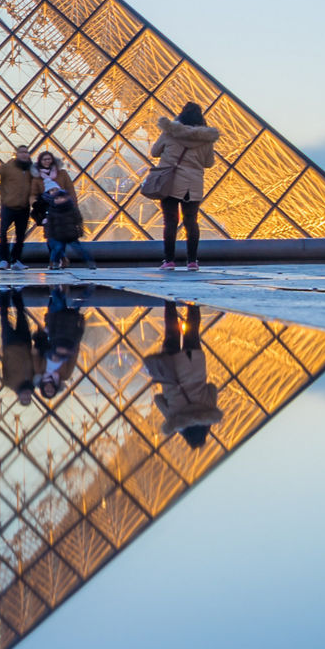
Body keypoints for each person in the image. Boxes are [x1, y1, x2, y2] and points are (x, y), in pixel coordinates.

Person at [150, 102, 221, 272]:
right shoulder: (206, 139)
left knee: (170, 222)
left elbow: (154, 152)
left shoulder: (169, 133)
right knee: (191, 222)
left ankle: (169, 261)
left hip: (170, 182)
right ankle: (192, 262)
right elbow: (209, 163)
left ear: (180, 116)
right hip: (193, 185)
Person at [145, 301, 223, 448]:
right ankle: (169, 301)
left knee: (192, 331)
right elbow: (158, 399)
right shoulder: (174, 418)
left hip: (194, 364)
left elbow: (211, 387)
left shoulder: (209, 411)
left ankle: (192, 302)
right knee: (171, 332)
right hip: (172, 369)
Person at [33, 152, 95, 270]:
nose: (47, 161)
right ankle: (55, 263)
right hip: (58, 233)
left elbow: (77, 217)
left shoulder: (62, 175)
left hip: (68, 233)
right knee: (58, 248)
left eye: (49, 159)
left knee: (64, 248)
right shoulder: (50, 206)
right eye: (44, 159)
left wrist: (78, 228)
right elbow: (33, 195)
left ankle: (86, 262)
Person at [0, 144, 38, 272]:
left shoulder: (31, 170)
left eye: (26, 152)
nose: (24, 154)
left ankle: (16, 260)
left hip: (24, 206)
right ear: (16, 154)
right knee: (3, 234)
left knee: (20, 236)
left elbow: (38, 183)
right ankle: (4, 260)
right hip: (8, 205)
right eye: (22, 152)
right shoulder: (7, 167)